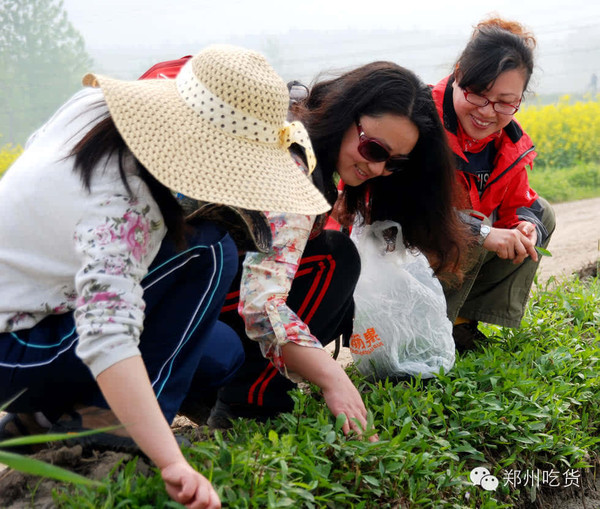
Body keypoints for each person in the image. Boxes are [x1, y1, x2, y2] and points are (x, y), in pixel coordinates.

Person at [0, 45, 329, 509]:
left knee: (218, 352)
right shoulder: (124, 200)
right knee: (212, 251)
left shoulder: (95, 112)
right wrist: (171, 460)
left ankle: (42, 416)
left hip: (38, 319)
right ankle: (110, 436)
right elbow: (106, 334)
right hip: (19, 348)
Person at [202, 61, 469, 438]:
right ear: (347, 113)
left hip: (203, 289)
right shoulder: (294, 166)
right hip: (182, 303)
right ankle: (250, 400)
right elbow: (262, 303)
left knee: (339, 271)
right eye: (374, 149)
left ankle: (222, 387)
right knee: (335, 260)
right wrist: (333, 381)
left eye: (395, 163)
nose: (378, 169)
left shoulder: (302, 122)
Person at [431, 18, 556, 351]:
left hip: (452, 253)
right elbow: (406, 210)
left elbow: (521, 200)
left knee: (542, 215)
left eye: (505, 102)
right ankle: (431, 324)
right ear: (459, 75)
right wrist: (484, 233)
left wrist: (525, 226)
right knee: (470, 224)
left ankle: (462, 323)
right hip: (403, 256)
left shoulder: (508, 140)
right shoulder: (419, 122)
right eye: (478, 95)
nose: (488, 112)